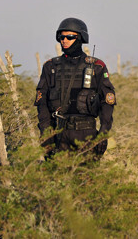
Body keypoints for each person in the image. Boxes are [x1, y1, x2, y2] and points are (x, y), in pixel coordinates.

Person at [34, 17, 116, 158]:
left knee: (86, 178)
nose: (64, 40)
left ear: (80, 38)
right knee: (56, 177)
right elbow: (42, 105)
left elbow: (107, 103)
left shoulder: (97, 66)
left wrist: (103, 134)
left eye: (69, 37)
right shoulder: (50, 66)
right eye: (61, 37)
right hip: (58, 134)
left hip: (86, 135)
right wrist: (46, 135)